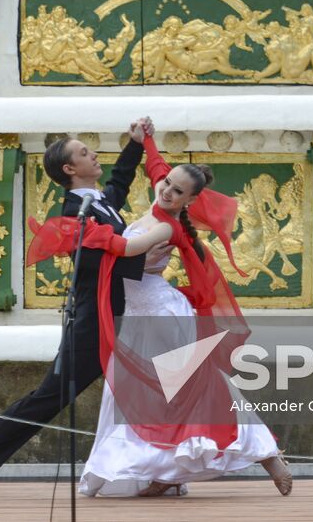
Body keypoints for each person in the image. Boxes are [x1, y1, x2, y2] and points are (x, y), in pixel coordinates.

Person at [0, 122, 171, 496]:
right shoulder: (75, 210)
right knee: (47, 399)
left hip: (123, 311)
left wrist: (136, 145)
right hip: (95, 319)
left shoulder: (98, 201)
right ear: (69, 170)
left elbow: (119, 184)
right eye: (82, 152)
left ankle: (165, 473)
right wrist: (144, 258)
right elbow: (93, 265)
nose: (92, 154)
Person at [74, 120, 290, 498]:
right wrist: (146, 139)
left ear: (190, 200)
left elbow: (126, 250)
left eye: (177, 191)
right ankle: (165, 473)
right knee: (141, 394)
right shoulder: (163, 194)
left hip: (162, 315)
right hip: (141, 315)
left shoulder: (168, 227)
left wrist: (81, 232)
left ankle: (266, 453)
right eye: (166, 184)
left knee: (193, 390)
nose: (167, 191)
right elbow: (156, 166)